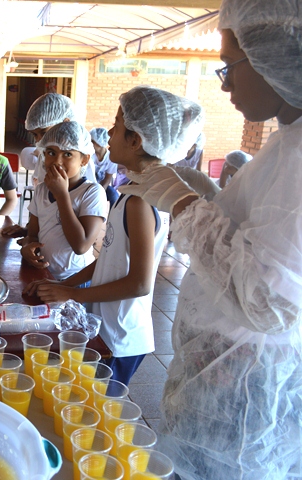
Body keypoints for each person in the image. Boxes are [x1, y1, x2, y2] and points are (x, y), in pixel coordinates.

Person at [120, 0, 302, 477]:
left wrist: (185, 205)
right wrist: (210, 200)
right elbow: (253, 242)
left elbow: (267, 299)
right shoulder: (286, 143)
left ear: (274, 54)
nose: (225, 84)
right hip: (218, 375)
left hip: (243, 391)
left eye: (230, 66)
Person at [25, 86, 199, 385]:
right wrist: (62, 285)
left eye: (117, 126)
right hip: (106, 324)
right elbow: (109, 258)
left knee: (96, 412)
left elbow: (140, 283)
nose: (108, 131)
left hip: (121, 336)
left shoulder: (139, 203)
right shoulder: (130, 193)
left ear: (136, 140)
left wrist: (73, 293)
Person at [19, 121, 106, 281]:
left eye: (67, 154)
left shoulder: (92, 192)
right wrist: (26, 248)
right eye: (51, 152)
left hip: (75, 281)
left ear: (84, 160)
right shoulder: (41, 190)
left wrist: (62, 195)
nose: (57, 161)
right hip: (44, 276)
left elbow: (81, 246)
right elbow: (32, 235)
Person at [2, 93, 90, 238]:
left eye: (43, 132)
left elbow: (83, 233)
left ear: (66, 123)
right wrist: (29, 231)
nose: (39, 140)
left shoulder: (78, 166)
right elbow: (43, 207)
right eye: (34, 135)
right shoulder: (46, 156)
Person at [89, 127, 119, 207]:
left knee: (114, 196)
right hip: (88, 184)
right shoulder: (89, 154)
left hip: (101, 185)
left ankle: (112, 217)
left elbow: (107, 179)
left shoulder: (111, 158)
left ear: (100, 143)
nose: (90, 143)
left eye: (92, 141)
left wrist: (99, 193)